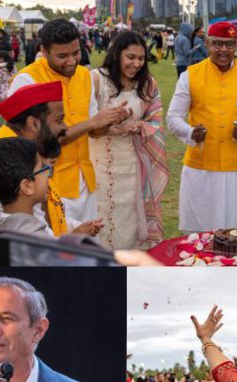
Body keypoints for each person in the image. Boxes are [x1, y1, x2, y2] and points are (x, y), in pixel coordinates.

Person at [9, 19, 131, 224]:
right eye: (62, 56)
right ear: (44, 51)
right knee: (58, 247)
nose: (72, 61)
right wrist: (93, 123)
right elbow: (35, 142)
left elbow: (92, 131)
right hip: (46, 184)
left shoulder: (84, 75)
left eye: (76, 52)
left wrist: (109, 122)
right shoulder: (27, 80)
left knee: (86, 245)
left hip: (84, 180)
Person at [166, 22, 237, 233]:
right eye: (217, 44)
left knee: (236, 233)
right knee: (198, 234)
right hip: (200, 167)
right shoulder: (190, 75)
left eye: (230, 44)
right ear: (207, 44)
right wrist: (190, 132)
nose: (224, 50)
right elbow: (173, 117)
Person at [0, 138, 102, 265]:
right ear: (27, 186)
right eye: (43, 170)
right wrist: (73, 241)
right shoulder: (32, 240)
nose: (48, 176)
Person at [90, 31, 168, 250]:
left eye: (141, 58)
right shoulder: (97, 80)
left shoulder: (147, 83)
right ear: (116, 55)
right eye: (130, 57)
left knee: (130, 214)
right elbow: (85, 125)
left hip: (133, 164)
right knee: (101, 213)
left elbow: (156, 121)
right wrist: (115, 125)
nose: (136, 64)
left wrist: (138, 126)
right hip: (98, 163)